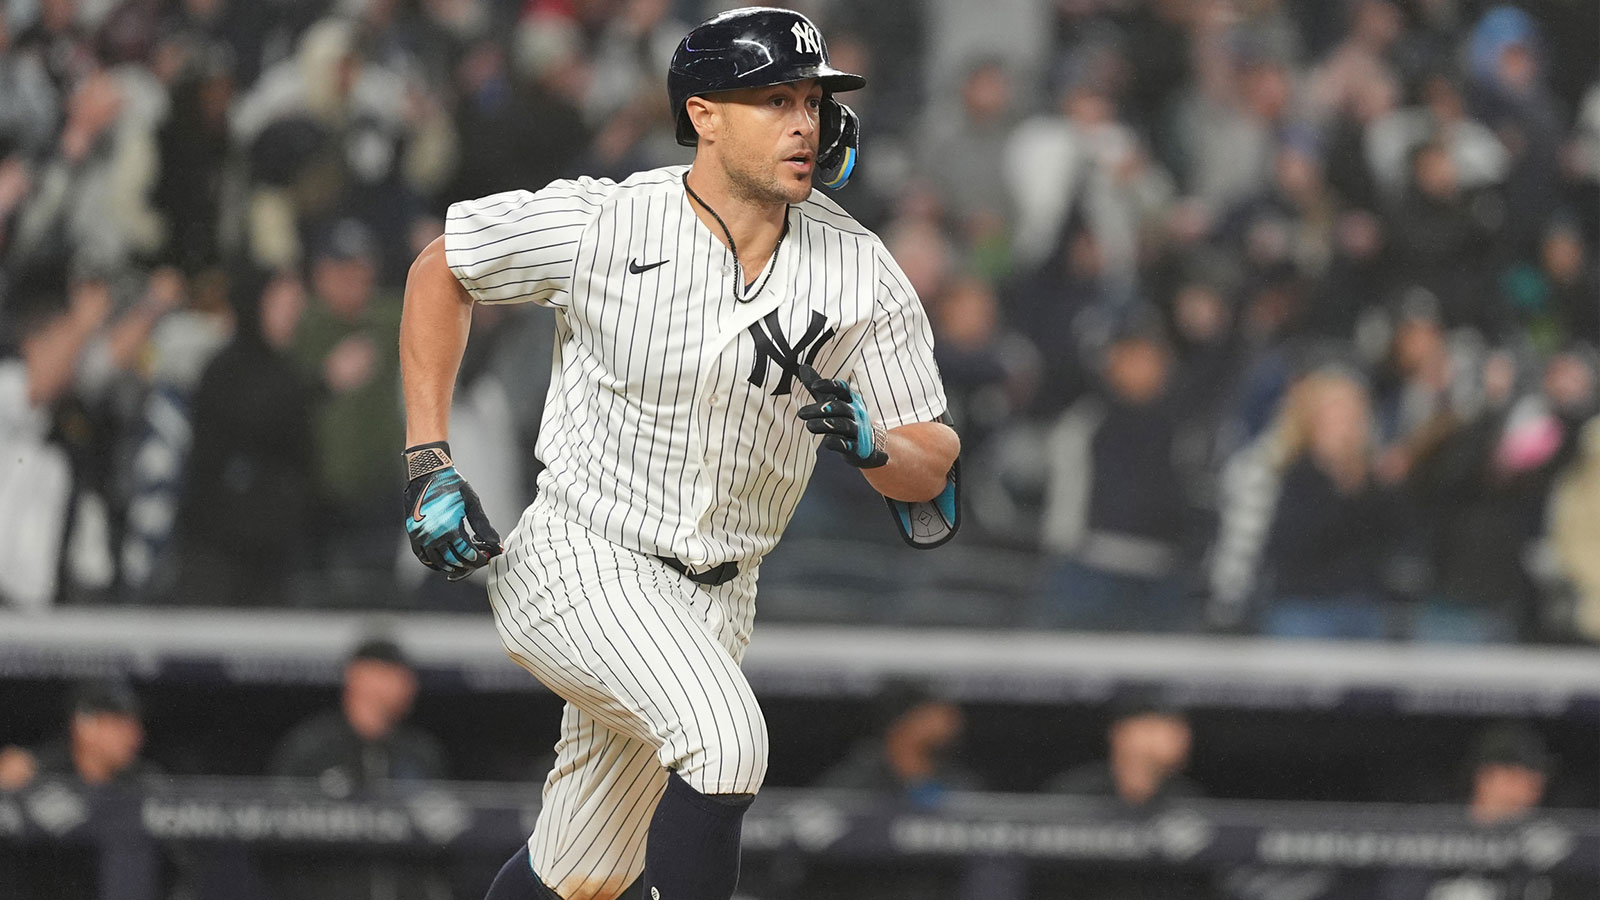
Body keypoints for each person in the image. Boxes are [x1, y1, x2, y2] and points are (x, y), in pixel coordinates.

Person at [397, 8, 960, 900]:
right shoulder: (609, 220)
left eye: (813, 101)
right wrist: (430, 458)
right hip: (582, 558)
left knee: (582, 872)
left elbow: (933, 468)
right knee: (727, 739)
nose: (804, 123)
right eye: (775, 99)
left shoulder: (860, 268)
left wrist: (875, 445)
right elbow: (443, 267)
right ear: (703, 114)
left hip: (721, 596)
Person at [264, 637, 449, 900]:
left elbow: (448, 839)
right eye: (394, 674)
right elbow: (273, 839)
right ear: (359, 676)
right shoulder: (311, 750)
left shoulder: (421, 753)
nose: (408, 685)